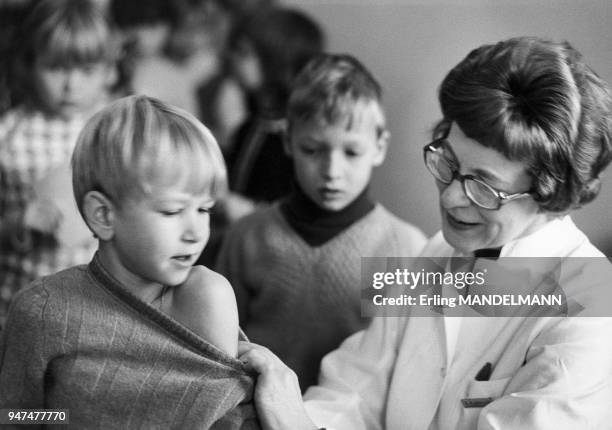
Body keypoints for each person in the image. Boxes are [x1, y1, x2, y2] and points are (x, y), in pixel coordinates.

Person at [238, 37, 612, 430]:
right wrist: (286, 410)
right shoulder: (435, 254)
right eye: (447, 162)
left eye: (483, 187)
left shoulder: (590, 309)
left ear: (549, 194)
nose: (450, 198)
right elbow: (355, 393)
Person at [0, 95, 261, 429]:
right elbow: (15, 415)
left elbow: (228, 417)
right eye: (172, 211)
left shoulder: (207, 296)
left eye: (204, 209)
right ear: (104, 215)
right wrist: (66, 417)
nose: (196, 232)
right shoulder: (42, 309)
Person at [217, 54, 427, 391]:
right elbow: (219, 347)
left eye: (351, 153)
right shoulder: (248, 237)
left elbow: (408, 369)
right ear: (288, 142)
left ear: (379, 147)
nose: (332, 171)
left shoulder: (405, 248)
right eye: (313, 150)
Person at [0, 0, 119, 330]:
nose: (71, 86)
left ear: (110, 70)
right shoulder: (8, 135)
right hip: (20, 307)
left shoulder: (116, 130)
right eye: (56, 68)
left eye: (86, 70)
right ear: (28, 64)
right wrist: (17, 222)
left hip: (96, 309)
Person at [197, 5, 326, 265]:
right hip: (236, 244)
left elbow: (298, 212)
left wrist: (245, 209)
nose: (233, 58)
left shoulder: (297, 139)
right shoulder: (253, 123)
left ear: (275, 62)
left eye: (244, 53)